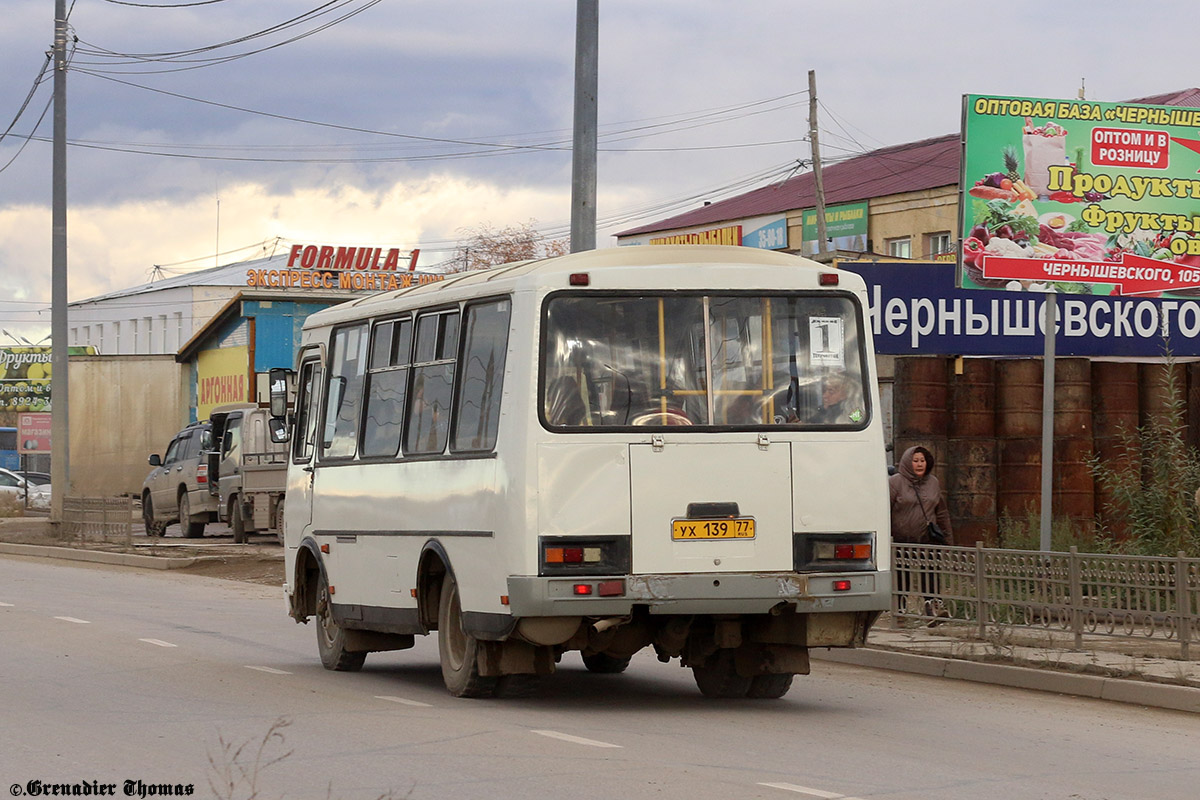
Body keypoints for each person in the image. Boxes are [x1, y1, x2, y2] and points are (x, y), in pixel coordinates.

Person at [889, 445, 954, 624]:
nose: (919, 464)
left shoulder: (933, 482)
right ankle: (900, 613)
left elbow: (941, 512)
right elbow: (885, 510)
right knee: (903, 575)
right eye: (915, 461)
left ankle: (932, 610)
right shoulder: (895, 482)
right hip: (902, 540)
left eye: (922, 461)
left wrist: (948, 539)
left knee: (931, 572)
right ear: (907, 462)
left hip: (928, 537)